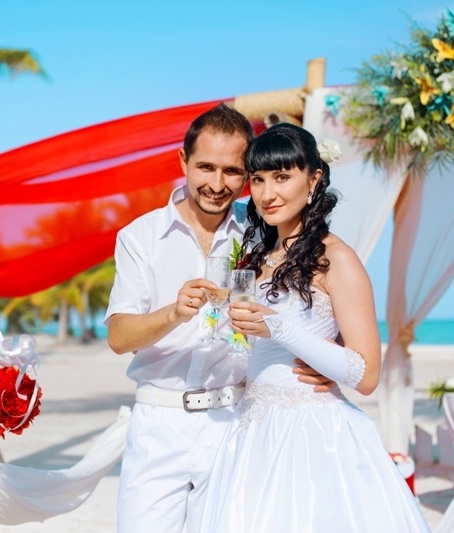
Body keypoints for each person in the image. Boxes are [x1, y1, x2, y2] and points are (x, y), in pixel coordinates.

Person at [105, 104, 330, 533]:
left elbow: (315, 294)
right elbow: (118, 337)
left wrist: (328, 358)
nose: (217, 183)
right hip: (159, 423)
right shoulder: (140, 237)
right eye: (206, 167)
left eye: (232, 171)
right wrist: (173, 313)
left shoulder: (263, 231)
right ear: (183, 161)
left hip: (237, 418)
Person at [199, 123, 430, 532]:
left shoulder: (337, 259)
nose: (267, 194)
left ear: (313, 178)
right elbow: (250, 348)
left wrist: (281, 330)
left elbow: (366, 375)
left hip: (313, 436)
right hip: (252, 433)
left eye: (282, 177)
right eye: (258, 179)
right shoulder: (256, 259)